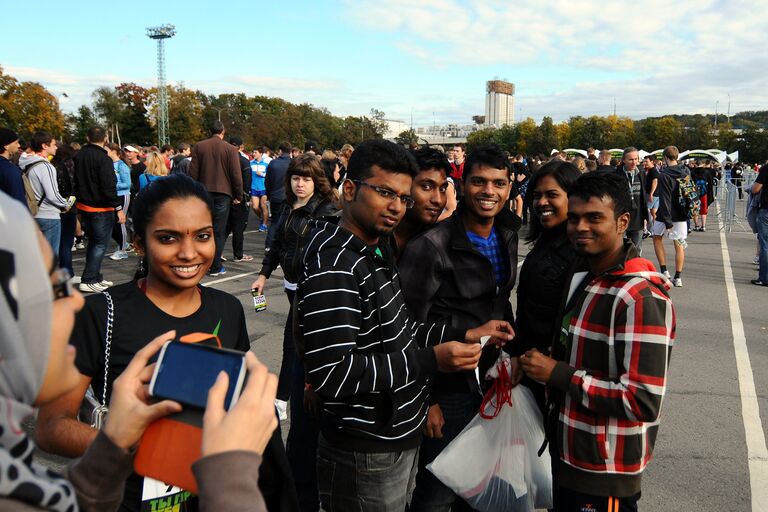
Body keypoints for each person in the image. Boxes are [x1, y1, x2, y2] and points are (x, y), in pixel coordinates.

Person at [0, 188, 279, 511]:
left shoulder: (228, 308)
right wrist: (139, 447)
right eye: (168, 238)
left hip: (210, 493)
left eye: (202, 236)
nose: (189, 253)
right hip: (121, 497)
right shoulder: (99, 312)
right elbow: (51, 428)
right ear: (138, 244)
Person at [298, 139, 513, 511]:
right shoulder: (337, 263)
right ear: (349, 189)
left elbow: (397, 330)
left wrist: (464, 334)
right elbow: (333, 373)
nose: (396, 206)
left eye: (402, 197)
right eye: (384, 193)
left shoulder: (375, 249)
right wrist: (431, 360)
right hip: (364, 447)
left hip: (392, 436)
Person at [520, 170, 675, 512]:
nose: (580, 227)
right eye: (574, 218)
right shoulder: (591, 278)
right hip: (570, 455)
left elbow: (641, 400)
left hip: (604, 470)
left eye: (594, 218)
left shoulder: (638, 297)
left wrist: (557, 373)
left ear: (622, 221)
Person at [398, 145, 519, 511]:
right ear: (462, 185)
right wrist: (428, 400)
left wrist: (509, 354)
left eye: (498, 183)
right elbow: (406, 326)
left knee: (478, 486)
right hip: (447, 387)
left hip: (490, 381)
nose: (489, 191)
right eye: (479, 181)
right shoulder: (431, 246)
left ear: (510, 187)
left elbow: (500, 302)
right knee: (437, 492)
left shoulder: (507, 235)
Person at [250, 154, 338, 511]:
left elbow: (326, 253)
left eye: (307, 178)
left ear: (318, 180)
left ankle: (294, 397)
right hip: (290, 287)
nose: (300, 183)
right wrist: (262, 273)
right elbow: (278, 244)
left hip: (310, 291)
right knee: (292, 344)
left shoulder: (327, 211)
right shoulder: (289, 207)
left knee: (296, 345)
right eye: (296, 178)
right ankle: (290, 397)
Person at [507, 160, 581, 411]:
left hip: (553, 378)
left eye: (552, 195)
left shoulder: (579, 253)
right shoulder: (546, 241)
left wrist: (549, 365)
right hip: (529, 367)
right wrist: (516, 353)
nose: (541, 202)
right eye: (537, 195)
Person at [188, 120, 244, 277]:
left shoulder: (199, 146)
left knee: (202, 230)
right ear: (223, 132)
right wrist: (238, 195)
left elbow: (193, 173)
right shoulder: (230, 149)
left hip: (203, 192)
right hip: (223, 193)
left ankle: (200, 262)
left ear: (209, 131)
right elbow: (236, 175)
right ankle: (215, 265)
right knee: (218, 231)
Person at [74, 126, 125, 293]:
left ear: (87, 137)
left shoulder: (79, 155)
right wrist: (118, 207)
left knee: (95, 244)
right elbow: (108, 185)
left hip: (84, 206)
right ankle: (89, 278)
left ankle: (94, 276)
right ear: (105, 139)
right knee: (99, 245)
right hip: (100, 207)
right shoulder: (104, 159)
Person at [391, 146, 451, 257]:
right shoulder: (376, 236)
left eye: (442, 189)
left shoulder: (439, 240)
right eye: (427, 187)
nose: (438, 200)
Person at [24, 131, 69, 255]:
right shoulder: (46, 166)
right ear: (44, 146)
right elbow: (52, 194)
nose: (56, 147)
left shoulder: (27, 163)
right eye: (54, 144)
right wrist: (65, 204)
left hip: (33, 212)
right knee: (50, 256)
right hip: (48, 214)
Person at [652, 145, 689, 287]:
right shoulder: (685, 171)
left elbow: (665, 198)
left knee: (657, 238)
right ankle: (678, 276)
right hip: (681, 212)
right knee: (679, 244)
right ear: (677, 156)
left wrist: (668, 222)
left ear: (665, 158)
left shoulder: (664, 175)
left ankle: (664, 270)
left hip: (665, 213)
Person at [224, 136, 253, 262]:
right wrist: (244, 196)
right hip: (238, 197)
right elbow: (246, 181)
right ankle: (238, 254)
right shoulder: (243, 161)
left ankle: (216, 252)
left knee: (224, 227)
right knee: (238, 227)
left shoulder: (223, 160)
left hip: (223, 196)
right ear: (241, 147)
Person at [617, 147, 648, 253]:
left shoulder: (641, 173)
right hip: (621, 216)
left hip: (638, 217)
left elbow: (644, 196)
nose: (634, 162)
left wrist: (645, 217)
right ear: (623, 160)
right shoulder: (616, 175)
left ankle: (635, 268)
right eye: (630, 159)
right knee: (620, 248)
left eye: (636, 159)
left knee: (636, 248)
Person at [106, 143, 132, 260]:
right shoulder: (108, 164)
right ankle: (123, 243)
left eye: (106, 150)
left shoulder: (121, 165)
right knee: (111, 223)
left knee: (120, 221)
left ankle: (122, 250)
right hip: (112, 196)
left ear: (113, 151)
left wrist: (111, 186)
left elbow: (127, 184)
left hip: (122, 196)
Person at [264, 142, 292, 251]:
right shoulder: (292, 164)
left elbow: (267, 181)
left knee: (274, 222)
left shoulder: (273, 163)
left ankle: (269, 245)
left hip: (275, 196)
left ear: (280, 151)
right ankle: (283, 247)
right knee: (287, 222)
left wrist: (268, 194)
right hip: (288, 197)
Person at [750, 162, 768, 286]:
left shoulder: (766, 169)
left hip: (766, 210)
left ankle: (764, 277)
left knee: (765, 244)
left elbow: (755, 188)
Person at [0, 127, 26, 206]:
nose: (19, 145)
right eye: (16, 143)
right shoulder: (10, 170)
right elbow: (19, 201)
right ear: (6, 146)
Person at [250, 146, 271, 232]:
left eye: (255, 152)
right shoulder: (250, 163)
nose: (253, 154)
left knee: (263, 206)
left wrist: (262, 174)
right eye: (253, 152)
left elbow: (270, 176)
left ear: (261, 154)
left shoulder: (266, 164)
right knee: (255, 207)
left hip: (264, 188)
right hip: (254, 187)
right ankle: (262, 218)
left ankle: (264, 224)